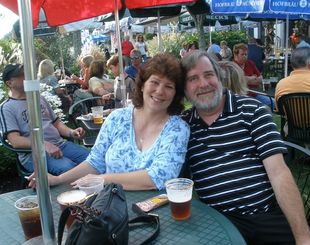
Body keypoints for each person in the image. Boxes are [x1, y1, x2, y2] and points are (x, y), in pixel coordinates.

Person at [180, 50, 310, 245]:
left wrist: (303, 238)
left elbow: (279, 172)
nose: (203, 84)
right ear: (185, 89)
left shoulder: (253, 111)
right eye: (192, 79)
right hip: (217, 221)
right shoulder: (183, 126)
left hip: (266, 213)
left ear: (219, 77)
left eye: (208, 75)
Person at [28, 53, 190, 191]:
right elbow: (94, 163)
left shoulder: (177, 129)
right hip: (110, 206)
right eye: (154, 82)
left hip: (156, 212)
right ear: (142, 86)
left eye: (169, 86)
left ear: (175, 94)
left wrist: (103, 179)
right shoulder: (117, 119)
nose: (160, 91)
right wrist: (57, 180)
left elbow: (159, 177)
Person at [0, 63, 89, 175]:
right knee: (69, 168)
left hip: (61, 145)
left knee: (93, 160)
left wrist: (71, 132)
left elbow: (56, 123)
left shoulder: (39, 98)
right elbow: (15, 141)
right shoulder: (7, 108)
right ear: (9, 83)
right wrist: (44, 145)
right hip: (33, 154)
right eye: (22, 74)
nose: (28, 76)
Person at [233, 43, 274, 108]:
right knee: (262, 108)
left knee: (274, 102)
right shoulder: (232, 66)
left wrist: (246, 80)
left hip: (254, 95)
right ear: (235, 55)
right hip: (239, 98)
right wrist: (253, 77)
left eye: (246, 54)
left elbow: (260, 79)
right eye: (242, 54)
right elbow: (237, 81)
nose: (245, 56)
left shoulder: (250, 63)